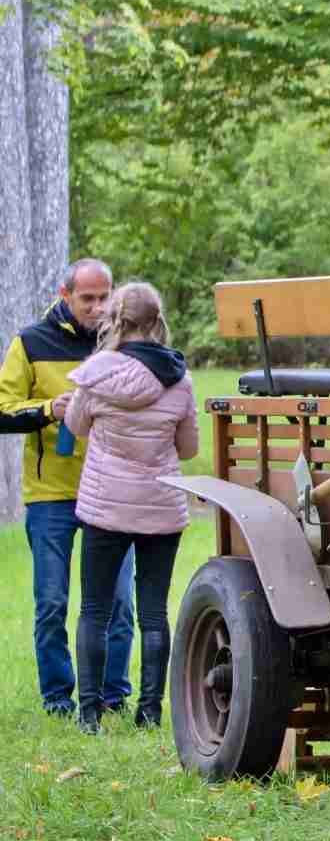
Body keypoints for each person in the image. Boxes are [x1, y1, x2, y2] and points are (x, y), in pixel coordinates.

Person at [0, 258, 135, 718]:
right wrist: (48, 409)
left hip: (112, 491)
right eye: (88, 299)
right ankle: (58, 697)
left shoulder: (126, 342)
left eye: (105, 297)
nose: (98, 308)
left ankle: (112, 696)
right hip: (51, 496)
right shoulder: (31, 342)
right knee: (52, 601)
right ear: (65, 295)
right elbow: (3, 409)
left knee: (119, 603)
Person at [62, 282, 194, 734]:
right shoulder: (179, 377)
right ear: (157, 320)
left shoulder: (96, 374)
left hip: (106, 508)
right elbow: (189, 447)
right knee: (154, 614)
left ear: (115, 321)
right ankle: (150, 710)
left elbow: (76, 426)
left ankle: (88, 713)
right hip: (161, 505)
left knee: (94, 611)